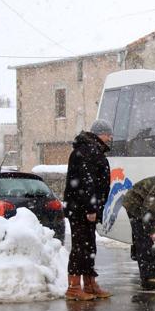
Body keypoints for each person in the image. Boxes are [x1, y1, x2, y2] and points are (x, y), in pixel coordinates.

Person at [63, 119, 113, 301]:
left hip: (84, 208)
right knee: (81, 247)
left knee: (89, 246)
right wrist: (91, 208)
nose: (110, 138)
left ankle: (90, 284)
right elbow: (87, 182)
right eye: (108, 134)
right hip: (81, 209)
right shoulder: (87, 152)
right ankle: (74, 287)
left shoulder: (91, 150)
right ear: (100, 134)